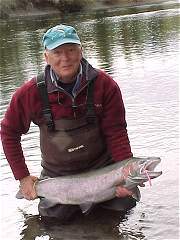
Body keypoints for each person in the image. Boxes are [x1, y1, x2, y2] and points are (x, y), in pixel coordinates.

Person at [1, 24, 136, 222]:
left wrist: (125, 174)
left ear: (81, 51)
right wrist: (22, 177)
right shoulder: (30, 93)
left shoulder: (105, 85)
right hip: (57, 178)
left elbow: (116, 132)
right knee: (54, 224)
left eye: (71, 50)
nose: (65, 58)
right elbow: (8, 133)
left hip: (102, 171)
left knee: (121, 214)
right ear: (46, 57)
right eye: (57, 52)